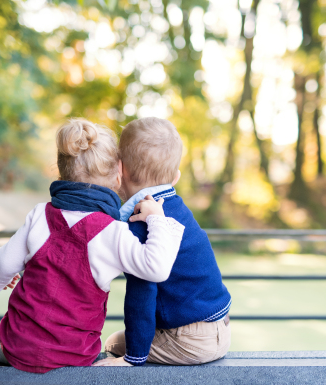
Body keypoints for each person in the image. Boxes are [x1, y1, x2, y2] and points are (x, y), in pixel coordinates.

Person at [0, 119, 185, 373]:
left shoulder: (39, 215)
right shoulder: (114, 232)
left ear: (61, 173)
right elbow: (156, 268)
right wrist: (156, 218)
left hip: (18, 348)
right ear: (118, 174)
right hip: (76, 354)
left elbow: (4, 263)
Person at [95, 117, 231, 367]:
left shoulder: (139, 223)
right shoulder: (174, 207)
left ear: (119, 169)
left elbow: (141, 296)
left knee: (114, 344)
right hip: (218, 329)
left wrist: (133, 357)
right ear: (175, 176)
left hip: (189, 340)